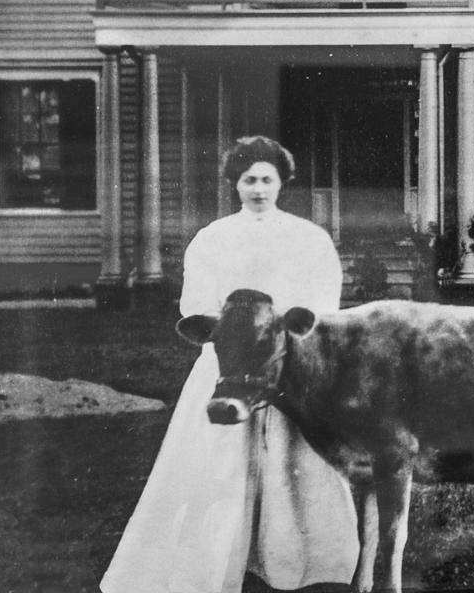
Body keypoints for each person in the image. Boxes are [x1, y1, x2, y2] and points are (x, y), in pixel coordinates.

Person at [102, 136, 360, 593]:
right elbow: (196, 306)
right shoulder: (213, 239)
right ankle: (217, 561)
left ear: (283, 183)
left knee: (293, 462)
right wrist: (239, 329)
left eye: (267, 179)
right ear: (234, 185)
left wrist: (277, 333)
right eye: (248, 180)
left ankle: (297, 562)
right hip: (228, 368)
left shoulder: (308, 238)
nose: (258, 189)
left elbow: (320, 309)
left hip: (287, 367)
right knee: (219, 466)